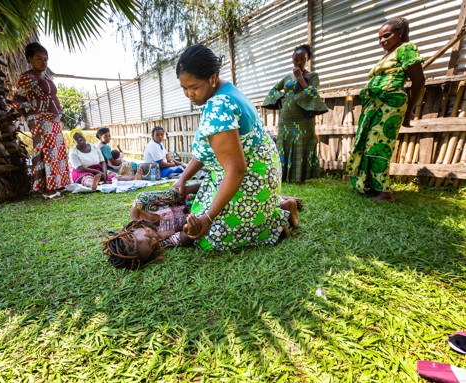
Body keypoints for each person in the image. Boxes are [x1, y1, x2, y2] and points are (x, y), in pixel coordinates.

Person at [172, 44, 294, 251]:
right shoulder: (227, 89)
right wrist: (183, 178)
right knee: (195, 212)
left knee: (208, 237)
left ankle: (276, 218)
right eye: (184, 88)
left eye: (193, 87)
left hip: (252, 178)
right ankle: (275, 206)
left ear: (212, 78)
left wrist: (209, 219)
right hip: (264, 170)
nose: (189, 94)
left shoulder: (218, 107)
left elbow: (236, 169)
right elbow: (208, 151)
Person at [102, 186, 300, 270]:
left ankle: (281, 202)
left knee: (226, 199)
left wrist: (211, 187)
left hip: (199, 196)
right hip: (203, 214)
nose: (155, 241)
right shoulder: (162, 243)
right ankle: (280, 209)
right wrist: (191, 231)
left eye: (148, 239)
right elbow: (184, 238)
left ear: (130, 232)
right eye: (153, 249)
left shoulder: (141, 205)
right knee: (220, 226)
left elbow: (178, 192)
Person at [346, 17, 425, 202]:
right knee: (368, 144)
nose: (382, 41)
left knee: (380, 145)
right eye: (380, 38)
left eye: (386, 36)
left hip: (390, 104)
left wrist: (409, 110)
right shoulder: (389, 54)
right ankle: (372, 185)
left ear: (400, 33)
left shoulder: (406, 48)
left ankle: (384, 192)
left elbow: (419, 81)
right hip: (374, 106)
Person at [262, 44, 328, 184]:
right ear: (292, 59)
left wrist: (300, 78)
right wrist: (279, 98)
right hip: (286, 117)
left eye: (302, 59)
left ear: (307, 59)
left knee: (302, 143)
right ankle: (282, 175)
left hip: (304, 117)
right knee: (284, 143)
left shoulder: (313, 76)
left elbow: (313, 94)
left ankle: (300, 177)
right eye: (295, 59)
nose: (298, 62)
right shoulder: (286, 78)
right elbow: (273, 91)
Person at [13, 42, 70, 200]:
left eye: (46, 59)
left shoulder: (44, 77)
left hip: (53, 121)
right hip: (39, 120)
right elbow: (17, 101)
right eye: (39, 58)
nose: (43, 62)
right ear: (29, 59)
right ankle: (46, 189)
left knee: (57, 153)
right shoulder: (27, 77)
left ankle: (58, 184)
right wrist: (34, 111)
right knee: (45, 152)